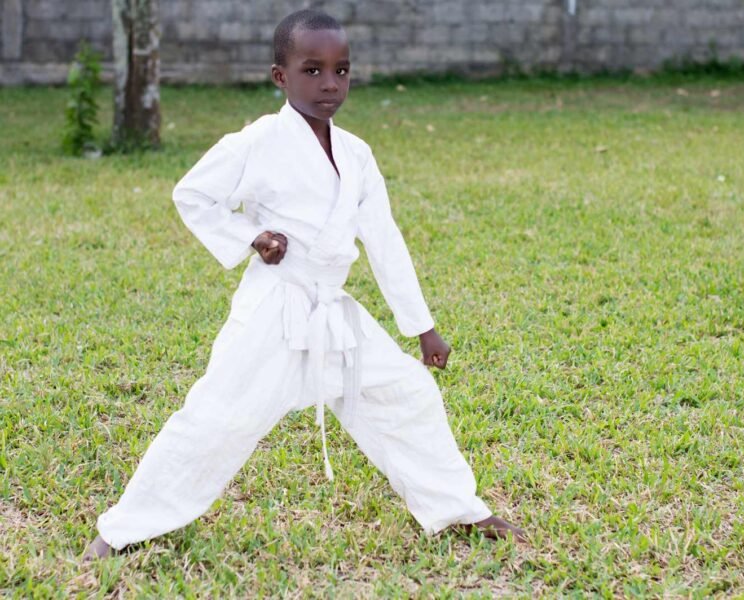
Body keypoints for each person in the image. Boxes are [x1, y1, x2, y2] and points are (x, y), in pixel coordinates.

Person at [82, 9, 525, 561]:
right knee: (218, 418)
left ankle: (459, 509)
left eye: (341, 71)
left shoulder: (358, 154)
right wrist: (251, 236)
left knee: (406, 394)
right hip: (274, 309)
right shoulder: (257, 142)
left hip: (334, 311)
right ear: (280, 76)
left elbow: (384, 240)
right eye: (312, 70)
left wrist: (423, 328)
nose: (330, 84)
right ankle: (122, 529)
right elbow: (192, 194)